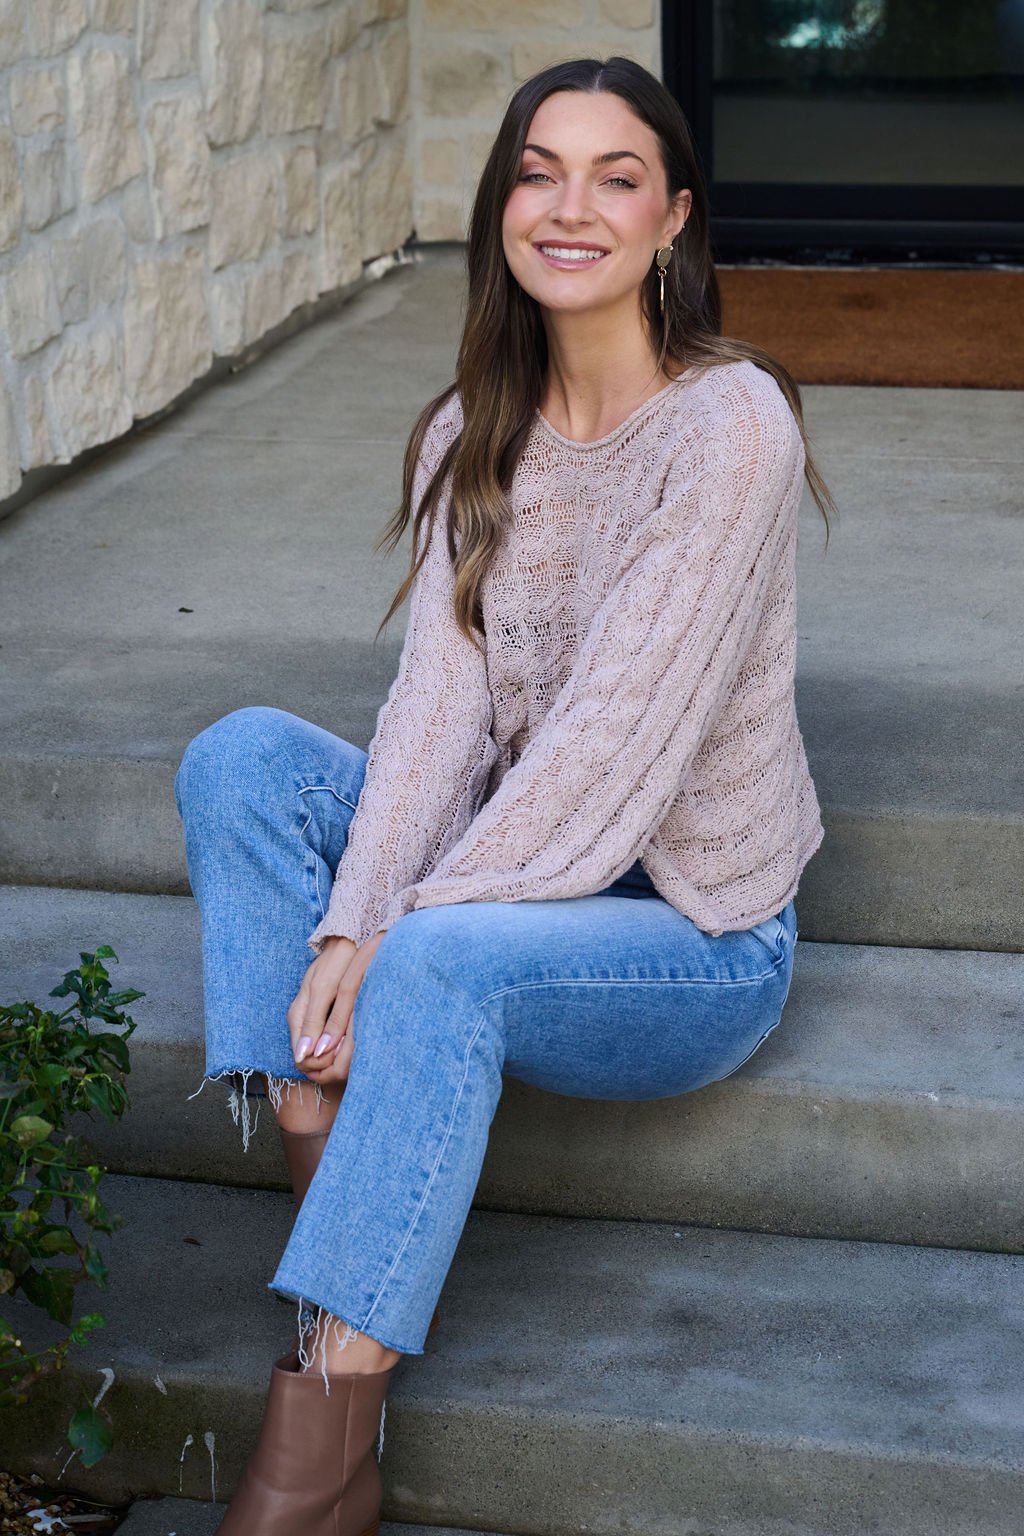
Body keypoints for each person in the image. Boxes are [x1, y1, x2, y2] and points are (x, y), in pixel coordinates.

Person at [173, 54, 833, 1536]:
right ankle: (317, 1116)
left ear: (675, 220)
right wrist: (352, 927)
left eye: (616, 176)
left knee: (438, 962)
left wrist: (381, 931)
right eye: (539, 169)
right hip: (507, 867)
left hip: (687, 931)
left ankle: (316, 1447)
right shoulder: (469, 431)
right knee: (244, 760)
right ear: (500, 207)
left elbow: (607, 752)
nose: (572, 205)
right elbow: (434, 717)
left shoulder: (731, 430)